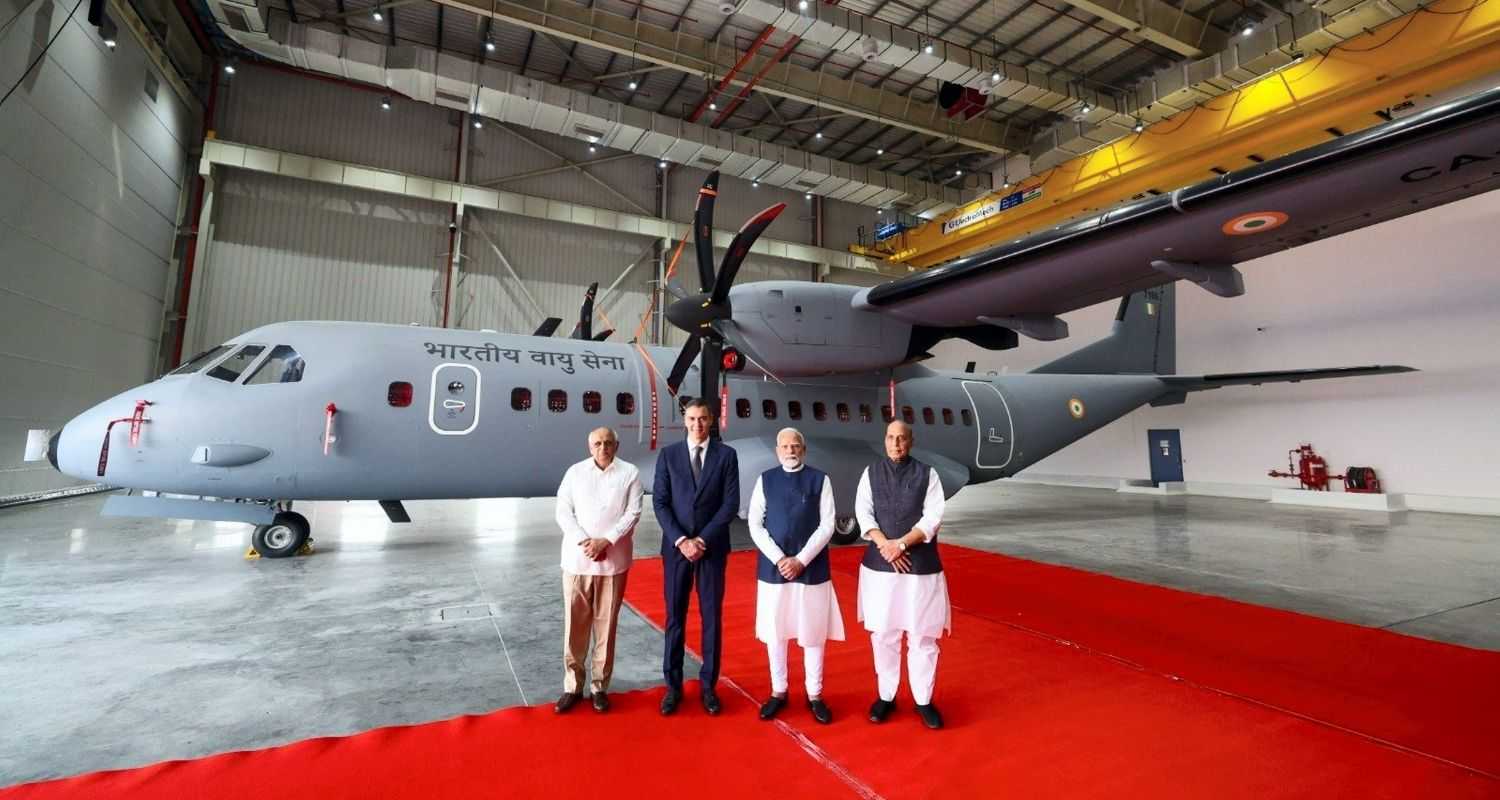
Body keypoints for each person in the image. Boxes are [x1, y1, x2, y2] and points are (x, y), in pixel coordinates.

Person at [855, 420, 950, 730]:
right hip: (881, 568)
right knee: (884, 633)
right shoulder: (870, 473)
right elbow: (863, 513)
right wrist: (886, 546)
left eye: (902, 439)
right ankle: (886, 696)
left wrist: (902, 544)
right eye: (891, 438)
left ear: (911, 441)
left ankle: (923, 700)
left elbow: (933, 517)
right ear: (885, 440)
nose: (896, 444)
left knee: (922, 635)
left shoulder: (928, 474)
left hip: (919, 568)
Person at [747, 427, 844, 724]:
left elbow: (827, 525)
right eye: (785, 446)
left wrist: (800, 560)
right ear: (777, 450)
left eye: (796, 446)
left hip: (811, 568)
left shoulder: (820, 480)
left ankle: (814, 694)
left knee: (812, 633)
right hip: (773, 569)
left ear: (803, 449)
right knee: (776, 633)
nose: (790, 451)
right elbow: (755, 523)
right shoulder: (765, 480)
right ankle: (779, 691)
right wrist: (779, 559)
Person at [653, 398, 740, 716]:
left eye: (703, 419)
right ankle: (672, 687)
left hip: (711, 549)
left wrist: (701, 540)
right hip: (676, 550)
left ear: (712, 420)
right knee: (674, 618)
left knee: (711, 618)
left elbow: (730, 505)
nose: (697, 424)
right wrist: (681, 540)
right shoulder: (668, 455)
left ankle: (708, 687)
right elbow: (660, 503)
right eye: (692, 419)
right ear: (684, 421)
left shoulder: (727, 456)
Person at [553, 426, 642, 714]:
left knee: (606, 628)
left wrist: (607, 540)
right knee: (574, 627)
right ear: (589, 446)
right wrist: (586, 542)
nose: (603, 447)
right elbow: (563, 511)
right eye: (597, 443)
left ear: (617, 445)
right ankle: (572, 686)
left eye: (608, 443)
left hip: (613, 564)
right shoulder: (575, 473)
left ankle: (599, 687)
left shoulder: (630, 473)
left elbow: (633, 513)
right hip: (577, 562)